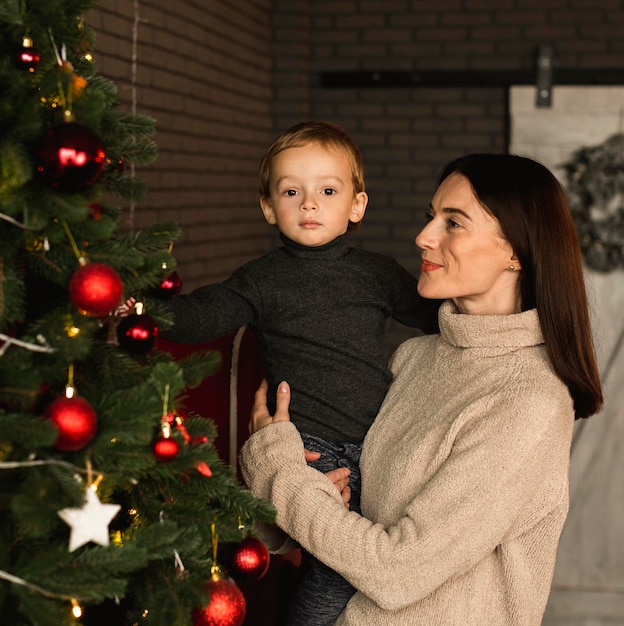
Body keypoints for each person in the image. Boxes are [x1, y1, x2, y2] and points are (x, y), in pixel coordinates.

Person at [240, 153, 604, 626]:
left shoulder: (527, 402)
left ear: (516, 250)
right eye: (430, 216)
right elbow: (352, 509)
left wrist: (275, 471)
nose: (424, 237)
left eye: (453, 222)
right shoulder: (416, 357)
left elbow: (396, 572)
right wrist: (291, 502)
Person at [159, 121, 441, 624]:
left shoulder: (377, 272)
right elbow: (206, 313)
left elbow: (435, 315)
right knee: (335, 569)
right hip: (310, 449)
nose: (309, 204)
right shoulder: (263, 279)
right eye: (292, 192)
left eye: (327, 191)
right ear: (269, 207)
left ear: (356, 205)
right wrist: (141, 310)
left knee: (382, 566)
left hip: (380, 444)